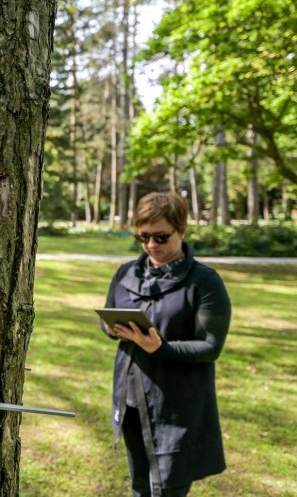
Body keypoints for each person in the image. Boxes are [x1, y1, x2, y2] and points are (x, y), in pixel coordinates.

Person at [99, 192, 231, 497]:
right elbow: (107, 318)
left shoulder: (205, 281)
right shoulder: (125, 273)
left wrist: (161, 348)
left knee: (167, 488)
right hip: (131, 398)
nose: (151, 246)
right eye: (143, 237)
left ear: (182, 230)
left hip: (177, 404)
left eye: (161, 237)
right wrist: (110, 327)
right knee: (140, 485)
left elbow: (211, 346)